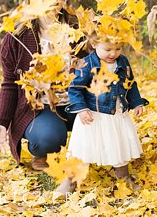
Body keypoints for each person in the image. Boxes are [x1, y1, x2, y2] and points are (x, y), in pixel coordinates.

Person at [0, 0, 86, 171]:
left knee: (102, 123)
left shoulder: (80, 32)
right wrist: (1, 123)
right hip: (40, 109)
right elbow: (9, 84)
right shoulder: (16, 38)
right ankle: (43, 150)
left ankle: (85, 149)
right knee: (48, 137)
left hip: (78, 103)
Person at [61, 38, 147, 193]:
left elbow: (131, 83)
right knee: (83, 148)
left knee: (118, 143)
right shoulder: (87, 64)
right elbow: (75, 88)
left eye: (118, 48)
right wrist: (81, 109)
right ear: (94, 44)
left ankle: (124, 177)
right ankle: (71, 180)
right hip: (93, 115)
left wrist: (136, 102)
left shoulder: (123, 62)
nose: (113, 53)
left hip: (115, 113)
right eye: (108, 49)